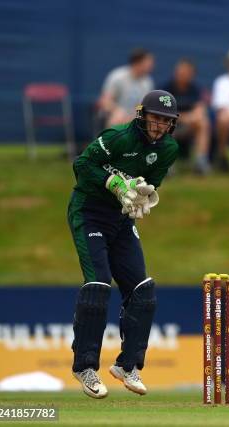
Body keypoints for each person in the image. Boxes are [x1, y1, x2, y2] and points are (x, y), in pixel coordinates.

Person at [68, 90, 179, 399]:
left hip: (119, 218)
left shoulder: (169, 148)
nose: (159, 127)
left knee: (143, 289)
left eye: (166, 122)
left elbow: (152, 181)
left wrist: (142, 196)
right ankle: (85, 366)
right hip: (89, 212)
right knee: (99, 284)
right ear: (143, 115)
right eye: (156, 119)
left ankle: (127, 365)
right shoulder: (117, 137)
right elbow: (82, 165)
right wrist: (114, 183)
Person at [163, 58, 211, 175]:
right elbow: (163, 112)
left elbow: (201, 109)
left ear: (191, 75)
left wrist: (189, 117)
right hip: (169, 126)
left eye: (185, 73)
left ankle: (201, 161)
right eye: (179, 72)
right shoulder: (166, 88)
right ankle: (167, 164)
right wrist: (184, 117)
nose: (181, 75)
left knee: (203, 123)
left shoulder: (196, 89)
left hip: (188, 126)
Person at [98, 48, 155, 127]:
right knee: (118, 116)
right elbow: (105, 101)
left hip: (133, 116)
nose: (151, 66)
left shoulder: (147, 82)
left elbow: (141, 106)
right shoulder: (117, 76)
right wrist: (118, 110)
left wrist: (136, 117)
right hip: (113, 115)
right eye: (148, 62)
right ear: (137, 62)